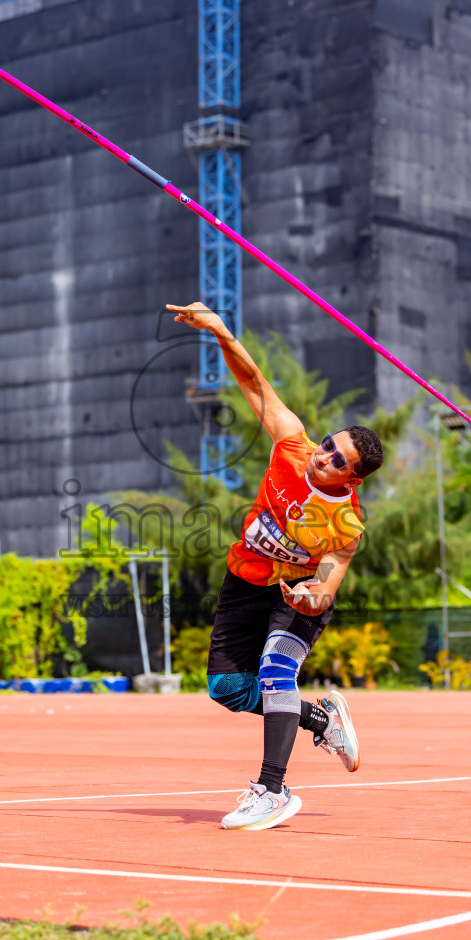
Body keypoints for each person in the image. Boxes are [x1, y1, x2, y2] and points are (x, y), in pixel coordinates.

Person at [166, 302, 384, 830]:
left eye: (337, 460)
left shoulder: (346, 525)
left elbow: (327, 587)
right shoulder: (292, 446)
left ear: (350, 480)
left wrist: (309, 594)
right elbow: (256, 384)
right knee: (227, 690)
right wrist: (219, 330)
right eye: (329, 445)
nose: (323, 456)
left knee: (275, 669)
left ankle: (271, 789)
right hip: (244, 582)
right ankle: (319, 717)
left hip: (293, 601)